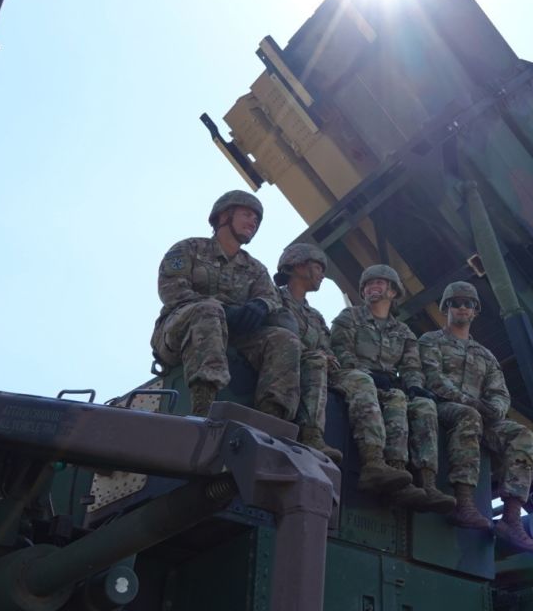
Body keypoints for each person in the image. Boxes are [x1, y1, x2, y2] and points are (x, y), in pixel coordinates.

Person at [150, 190, 301, 419]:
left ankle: (270, 418)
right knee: (209, 310)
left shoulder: (255, 268)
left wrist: (260, 306)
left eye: (257, 219)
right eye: (247, 214)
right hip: (178, 330)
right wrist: (223, 310)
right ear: (224, 216)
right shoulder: (189, 248)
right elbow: (172, 291)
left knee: (284, 339)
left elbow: (271, 299)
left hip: (233, 335)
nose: (253, 222)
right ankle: (203, 409)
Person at [418, 281, 533, 551]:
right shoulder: (430, 342)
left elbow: (499, 393)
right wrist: (470, 402)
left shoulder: (485, 356)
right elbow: (432, 379)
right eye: (456, 302)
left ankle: (511, 518)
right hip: (441, 410)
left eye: (469, 304)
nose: (462, 307)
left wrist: (495, 408)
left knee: (521, 434)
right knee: (468, 415)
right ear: (446, 307)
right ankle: (464, 503)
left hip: (479, 418)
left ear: (475, 312)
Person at [330, 265, 455, 513]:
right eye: (368, 284)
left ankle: (419, 480)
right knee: (365, 383)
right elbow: (339, 350)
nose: (372, 287)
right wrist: (365, 371)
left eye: (379, 283)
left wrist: (416, 387)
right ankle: (373, 463)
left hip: (386, 385)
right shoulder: (350, 317)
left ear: (393, 291)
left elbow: (411, 367)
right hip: (351, 376)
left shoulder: (403, 332)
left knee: (420, 404)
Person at [273, 243, 343, 464]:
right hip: (280, 364)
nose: (322, 275)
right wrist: (317, 355)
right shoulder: (273, 297)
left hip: (314, 367)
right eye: (318, 268)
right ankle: (311, 434)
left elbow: (325, 346)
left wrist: (329, 358)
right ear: (299, 266)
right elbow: (273, 332)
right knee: (315, 360)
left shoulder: (315, 315)